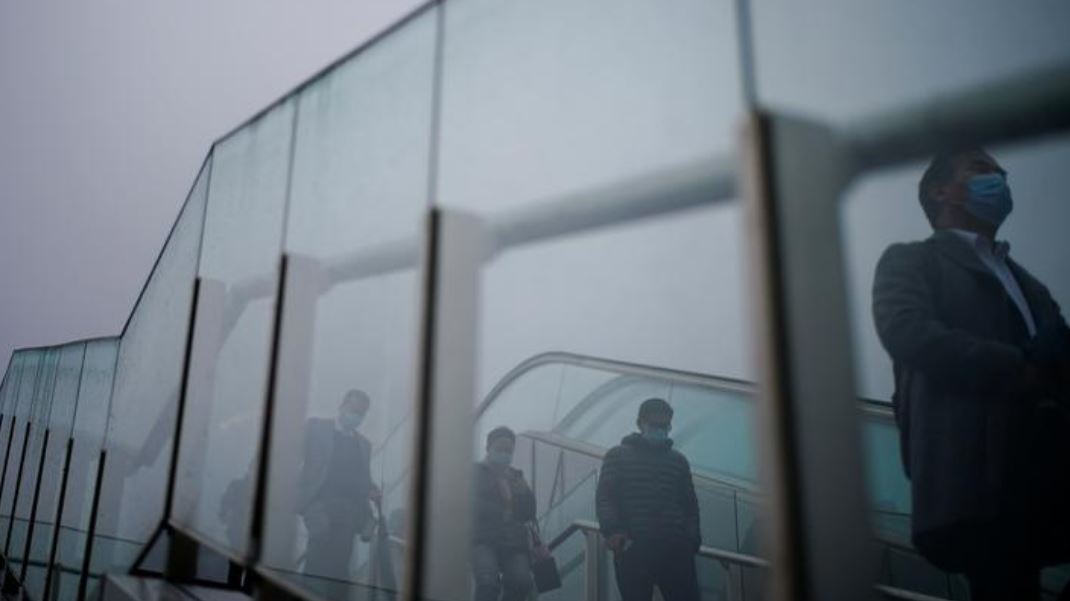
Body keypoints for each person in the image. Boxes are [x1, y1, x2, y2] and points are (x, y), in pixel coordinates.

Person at [873, 148, 1070, 600]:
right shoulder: (912, 261)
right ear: (941, 191)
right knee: (1004, 584)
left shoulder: (1029, 284)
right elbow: (909, 333)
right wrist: (1021, 365)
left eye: (1002, 171)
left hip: (1047, 462)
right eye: (981, 170)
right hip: (978, 472)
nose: (999, 178)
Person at [596, 398, 701, 601]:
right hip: (634, 548)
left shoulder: (678, 461)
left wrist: (690, 541)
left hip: (675, 550)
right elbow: (605, 497)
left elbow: (690, 505)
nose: (660, 430)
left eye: (664, 425)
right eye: (655, 425)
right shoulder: (617, 456)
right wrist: (614, 531)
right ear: (640, 423)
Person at [299, 389, 381, 581]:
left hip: (349, 510)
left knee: (339, 565)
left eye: (361, 413)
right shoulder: (316, 427)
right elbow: (294, 455)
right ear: (342, 406)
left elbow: (363, 478)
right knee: (316, 558)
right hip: (320, 504)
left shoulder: (363, 444)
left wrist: (372, 489)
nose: (356, 416)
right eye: (354, 410)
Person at [472, 426, 536, 601]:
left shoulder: (516, 476)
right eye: (500, 449)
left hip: (513, 541)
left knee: (522, 582)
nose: (504, 454)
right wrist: (504, 511)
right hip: (483, 539)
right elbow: (471, 504)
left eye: (509, 450)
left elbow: (529, 513)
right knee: (487, 583)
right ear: (488, 449)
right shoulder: (475, 472)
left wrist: (523, 494)